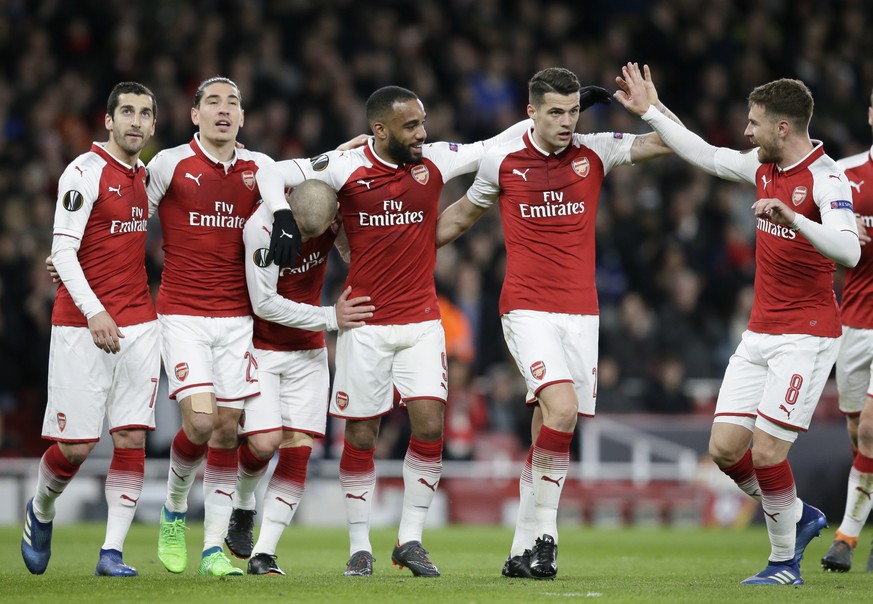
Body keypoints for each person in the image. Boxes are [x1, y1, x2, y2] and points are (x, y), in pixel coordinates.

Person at [256, 85, 530, 577]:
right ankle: (360, 545)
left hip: (423, 322)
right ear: (380, 130)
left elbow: (495, 144)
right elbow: (272, 173)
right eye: (411, 126)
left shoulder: (436, 161)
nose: (422, 133)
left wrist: (546, 122)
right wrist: (281, 214)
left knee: (429, 425)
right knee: (361, 434)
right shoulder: (343, 168)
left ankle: (410, 540)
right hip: (366, 323)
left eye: (423, 122)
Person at [616, 62, 861, 585]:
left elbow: (850, 249)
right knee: (726, 449)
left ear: (782, 128)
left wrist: (794, 218)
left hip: (808, 335)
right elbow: (706, 154)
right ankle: (799, 516)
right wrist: (652, 111)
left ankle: (782, 562)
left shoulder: (827, 179)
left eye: (754, 123)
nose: (746, 131)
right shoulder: (762, 166)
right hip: (759, 334)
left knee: (769, 451)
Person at [435, 67, 674, 579]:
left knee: (550, 425)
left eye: (572, 111)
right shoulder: (501, 160)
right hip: (525, 307)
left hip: (582, 314)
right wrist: (394, 255)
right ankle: (547, 537)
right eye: (555, 112)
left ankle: (521, 549)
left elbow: (669, 144)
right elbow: (456, 218)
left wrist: (649, 107)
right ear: (531, 112)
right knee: (561, 409)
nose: (567, 122)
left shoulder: (596, 150)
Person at [21, 82, 159, 577]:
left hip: (141, 325)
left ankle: (112, 553)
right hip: (82, 327)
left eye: (145, 113)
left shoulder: (147, 175)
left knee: (131, 439)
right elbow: (62, 251)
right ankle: (41, 509)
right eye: (127, 112)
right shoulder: (83, 172)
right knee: (77, 447)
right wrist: (96, 310)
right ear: (108, 120)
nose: (136, 122)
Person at [147, 76, 274, 577]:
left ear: (243, 117)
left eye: (234, 103)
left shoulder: (259, 168)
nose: (224, 110)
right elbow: (133, 212)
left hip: (237, 318)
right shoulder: (169, 163)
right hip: (181, 314)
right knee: (199, 423)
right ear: (194, 114)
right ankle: (175, 507)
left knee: (226, 429)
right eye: (213, 102)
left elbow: (310, 177)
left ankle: (213, 549)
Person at [223, 179, 375, 576]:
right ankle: (242, 502)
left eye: (316, 233)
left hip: (308, 351)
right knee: (263, 442)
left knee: (298, 448)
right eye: (302, 231)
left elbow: (334, 166)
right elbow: (265, 304)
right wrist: (329, 317)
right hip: (262, 345)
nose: (307, 240)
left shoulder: (333, 217)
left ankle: (265, 552)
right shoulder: (261, 228)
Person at [821, 88, 873, 573]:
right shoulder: (844, 174)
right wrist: (841, 232)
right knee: (859, 432)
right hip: (855, 321)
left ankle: (847, 538)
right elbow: (815, 232)